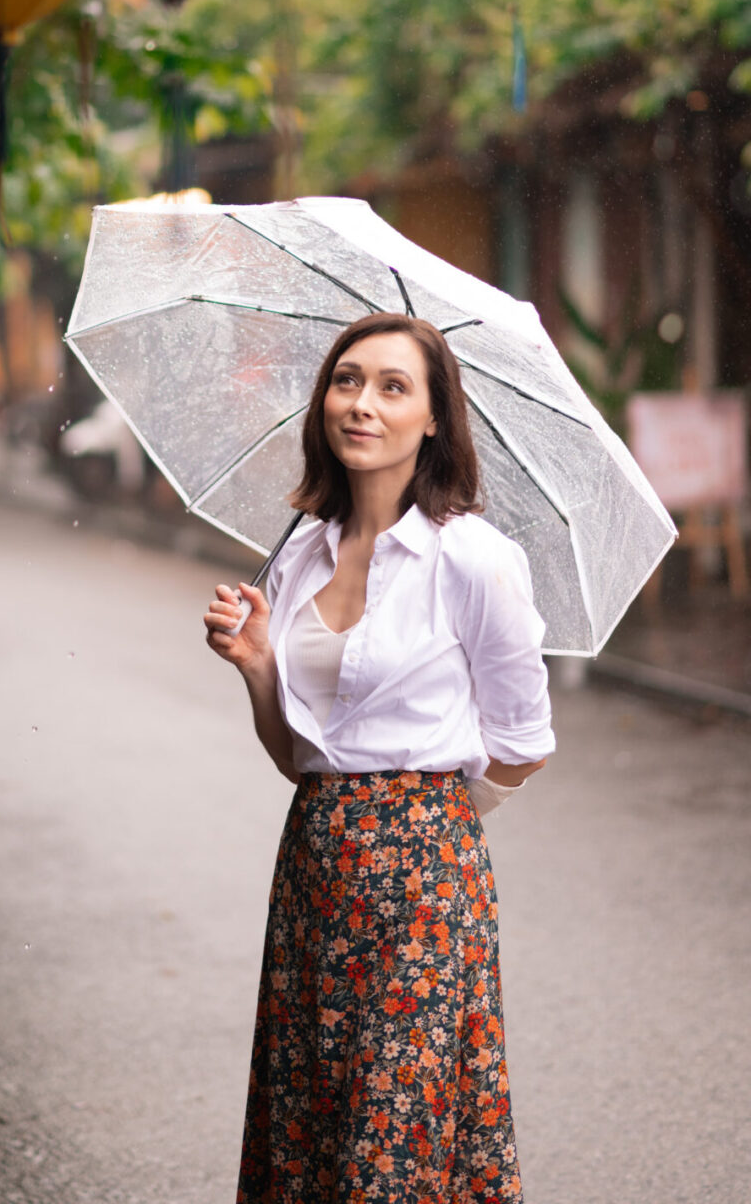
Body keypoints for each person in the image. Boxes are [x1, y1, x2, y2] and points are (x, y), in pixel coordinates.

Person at [204, 312, 555, 1204]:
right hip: (315, 860)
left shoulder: (471, 559)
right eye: (347, 380)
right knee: (313, 1116)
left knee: (396, 1138)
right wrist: (256, 666)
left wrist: (430, 822)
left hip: (427, 882)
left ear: (435, 417)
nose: (362, 404)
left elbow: (522, 744)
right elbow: (298, 758)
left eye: (394, 387)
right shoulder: (298, 561)